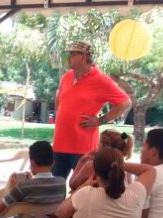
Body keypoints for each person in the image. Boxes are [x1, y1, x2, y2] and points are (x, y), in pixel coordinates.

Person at [52, 40, 131, 179]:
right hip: (59, 144)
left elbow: (125, 102)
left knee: (82, 188)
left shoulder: (101, 80)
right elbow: (59, 98)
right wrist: (61, 117)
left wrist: (100, 121)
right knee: (53, 188)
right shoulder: (67, 76)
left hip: (83, 148)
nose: (68, 57)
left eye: (72, 54)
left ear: (84, 56)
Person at [0, 140, 67, 218]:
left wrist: (12, 189)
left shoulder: (23, 187)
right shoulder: (62, 183)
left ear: (32, 163)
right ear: (53, 163)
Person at [68, 129, 134, 192]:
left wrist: (81, 161)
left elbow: (72, 185)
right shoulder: (128, 170)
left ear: (103, 148)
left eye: (98, 144)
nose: (97, 146)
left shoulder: (91, 166)